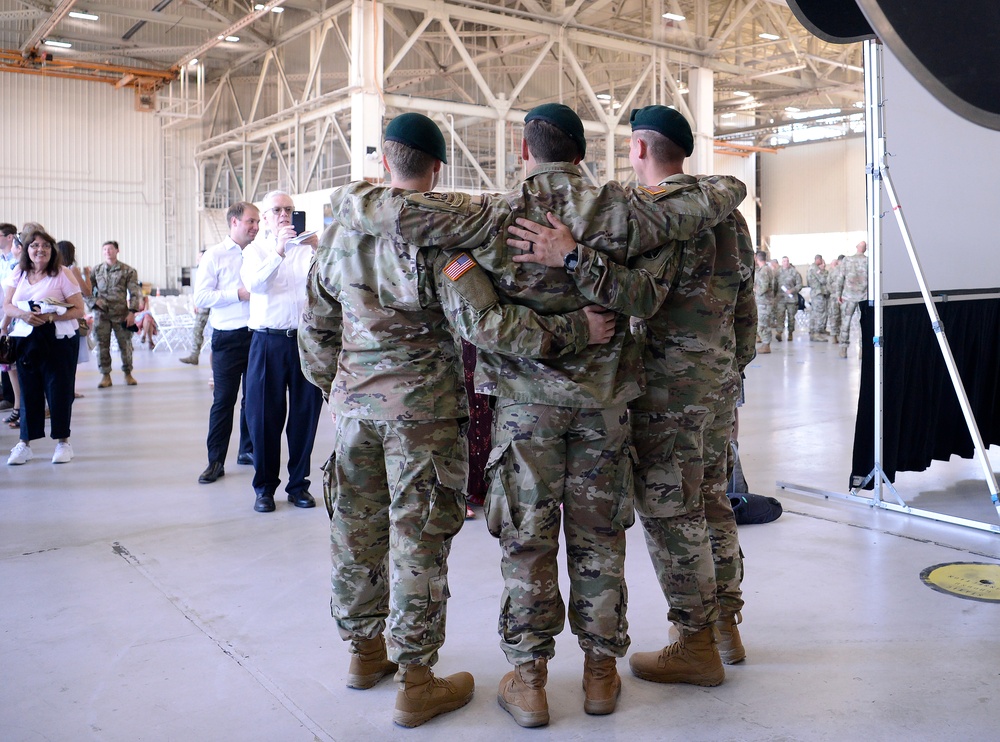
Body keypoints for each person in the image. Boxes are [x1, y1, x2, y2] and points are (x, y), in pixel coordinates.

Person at [326, 103, 746, 727]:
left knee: (526, 543)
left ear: (525, 152)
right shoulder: (624, 212)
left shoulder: (493, 215)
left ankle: (529, 681)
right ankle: (601, 677)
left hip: (525, 413)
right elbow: (707, 202)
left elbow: (462, 297)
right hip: (604, 408)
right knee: (600, 539)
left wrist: (351, 197)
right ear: (584, 153)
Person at [299, 113, 614, 729]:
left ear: (385, 160)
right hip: (424, 415)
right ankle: (415, 679)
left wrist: (336, 390)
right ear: (436, 167)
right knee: (416, 540)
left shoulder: (338, 232)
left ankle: (364, 654)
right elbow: (483, 325)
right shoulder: (441, 237)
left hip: (356, 410)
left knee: (354, 532)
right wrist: (577, 328)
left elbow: (315, 325)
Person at [509, 105, 756, 687]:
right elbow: (747, 303)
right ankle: (725, 626)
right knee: (713, 500)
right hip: (716, 383)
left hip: (668, 387)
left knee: (674, 513)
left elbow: (635, 294)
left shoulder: (655, 217)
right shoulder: (729, 219)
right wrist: (733, 369)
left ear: (640, 150)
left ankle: (696, 644)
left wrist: (571, 255)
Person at [240, 191, 323, 513]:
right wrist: (278, 251)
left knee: (305, 416)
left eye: (289, 209)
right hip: (267, 342)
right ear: (264, 218)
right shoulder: (255, 251)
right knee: (264, 417)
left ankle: (298, 485)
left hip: (304, 341)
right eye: (276, 210)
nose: (284, 215)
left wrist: (320, 250)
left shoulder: (307, 250)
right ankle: (264, 488)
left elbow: (329, 284)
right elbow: (256, 286)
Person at [3, 227, 86, 465]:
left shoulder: (62, 274)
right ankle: (24, 444)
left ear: (52, 250)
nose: (40, 250)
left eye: (46, 246)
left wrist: (50, 316)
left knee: (59, 391)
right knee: (29, 393)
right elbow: (7, 305)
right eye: (35, 246)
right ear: (27, 250)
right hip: (25, 339)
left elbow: (79, 310)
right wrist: (23, 314)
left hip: (58, 340)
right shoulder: (18, 272)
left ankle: (63, 442)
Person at [194, 201, 258, 484]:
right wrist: (238, 294)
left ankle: (247, 451)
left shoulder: (262, 253)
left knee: (253, 400)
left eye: (257, 222)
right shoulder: (214, 256)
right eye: (251, 222)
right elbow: (201, 298)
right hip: (228, 337)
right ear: (234, 222)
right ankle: (215, 461)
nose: (256, 227)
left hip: (258, 335)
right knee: (223, 401)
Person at [89, 240, 142, 388]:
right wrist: (94, 303)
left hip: (121, 314)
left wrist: (132, 312)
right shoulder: (96, 270)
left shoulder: (127, 270)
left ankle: (128, 373)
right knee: (102, 345)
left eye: (110, 249)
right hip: (102, 315)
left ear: (117, 250)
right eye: (104, 249)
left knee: (125, 345)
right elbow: (87, 291)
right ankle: (105, 376)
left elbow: (134, 292)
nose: (107, 252)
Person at [1, 223, 22, 420]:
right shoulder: (5, 261)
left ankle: (20, 406)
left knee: (17, 364)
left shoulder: (18, 267)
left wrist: (4, 323)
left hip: (15, 319)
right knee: (9, 365)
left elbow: (12, 299)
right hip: (7, 317)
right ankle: (16, 404)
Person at [180, 249, 210, 365]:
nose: (197, 260)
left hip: (212, 306)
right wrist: (195, 302)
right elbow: (196, 290)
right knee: (197, 330)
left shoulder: (210, 269)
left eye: (199, 257)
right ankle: (194, 355)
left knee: (215, 335)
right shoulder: (199, 271)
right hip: (202, 306)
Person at [838, 240, 868, 357]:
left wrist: (838, 294)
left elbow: (841, 278)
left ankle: (843, 349)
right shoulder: (868, 261)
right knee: (863, 324)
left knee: (846, 322)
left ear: (856, 247)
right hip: (864, 297)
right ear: (865, 249)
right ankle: (862, 349)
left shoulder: (847, 260)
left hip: (848, 296)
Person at [754, 250, 778, 354]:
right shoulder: (766, 269)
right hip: (765, 302)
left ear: (756, 258)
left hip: (764, 302)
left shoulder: (764, 271)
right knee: (763, 323)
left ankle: (766, 345)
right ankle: (765, 343)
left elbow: (763, 287)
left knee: (763, 325)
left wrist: (754, 289)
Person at [775, 256, 802, 341]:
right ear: (781, 262)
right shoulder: (777, 272)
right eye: (784, 261)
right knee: (780, 316)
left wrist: (792, 290)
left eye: (787, 261)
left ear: (789, 262)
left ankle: (790, 333)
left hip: (791, 299)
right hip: (780, 299)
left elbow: (799, 285)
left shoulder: (794, 272)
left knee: (791, 317)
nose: (785, 263)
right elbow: (774, 284)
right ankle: (779, 332)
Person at [807, 254, 830, 341]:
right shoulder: (815, 268)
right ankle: (817, 334)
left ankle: (813, 332)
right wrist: (826, 276)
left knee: (814, 313)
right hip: (818, 294)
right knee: (819, 314)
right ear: (819, 260)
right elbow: (823, 280)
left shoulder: (810, 268)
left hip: (814, 293)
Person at [826, 255, 845, 342]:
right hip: (844, 297)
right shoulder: (846, 270)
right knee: (844, 316)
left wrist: (833, 293)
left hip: (834, 297)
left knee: (834, 316)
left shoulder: (832, 271)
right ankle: (842, 335)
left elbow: (828, 284)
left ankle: (834, 335)